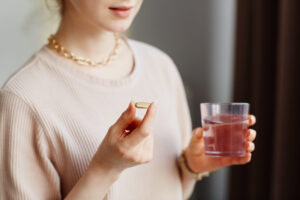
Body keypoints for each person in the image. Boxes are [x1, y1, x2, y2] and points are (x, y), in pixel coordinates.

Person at [0, 0, 257, 199]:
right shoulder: (23, 98)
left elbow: (170, 193)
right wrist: (104, 168)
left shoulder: (161, 66)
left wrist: (190, 167)